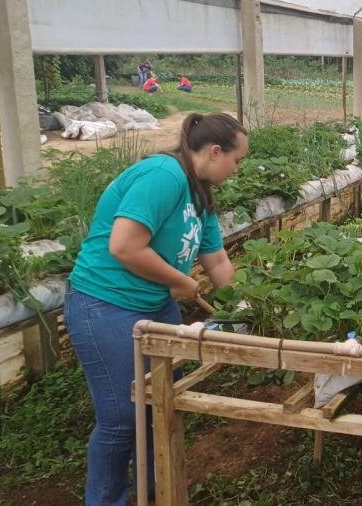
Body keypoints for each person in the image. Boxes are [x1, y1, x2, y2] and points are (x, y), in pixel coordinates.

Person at [65, 113, 247, 506]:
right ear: (215, 152)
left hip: (154, 306)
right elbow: (124, 246)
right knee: (122, 417)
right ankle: (107, 500)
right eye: (236, 160)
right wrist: (180, 282)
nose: (237, 168)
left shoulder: (201, 195)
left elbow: (216, 262)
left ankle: (156, 492)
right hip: (105, 304)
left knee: (160, 405)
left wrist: (245, 309)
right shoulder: (163, 175)